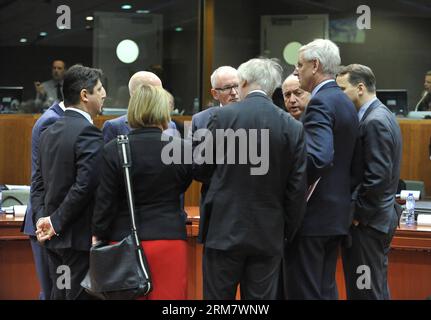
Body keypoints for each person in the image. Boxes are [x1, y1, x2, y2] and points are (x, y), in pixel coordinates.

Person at [193, 58, 307, 300]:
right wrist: (286, 230)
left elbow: (200, 169)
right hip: (268, 233)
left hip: (223, 230)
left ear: (243, 82)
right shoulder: (292, 127)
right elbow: (296, 189)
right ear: (273, 88)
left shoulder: (221, 119)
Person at [92, 84, 192, 300]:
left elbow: (104, 203)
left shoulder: (113, 149)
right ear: (164, 111)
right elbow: (181, 186)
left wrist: (98, 232)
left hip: (122, 242)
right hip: (169, 240)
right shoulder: (182, 149)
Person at [284, 39, 359, 300]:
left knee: (304, 292)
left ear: (315, 65)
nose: (297, 71)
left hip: (312, 216)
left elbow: (318, 158)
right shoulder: (345, 101)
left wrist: (288, 181)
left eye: (300, 65)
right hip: (336, 216)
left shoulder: (319, 103)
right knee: (325, 290)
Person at [31, 64, 106, 300]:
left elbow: (38, 186)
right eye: (100, 89)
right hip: (76, 240)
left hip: (53, 241)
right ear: (85, 95)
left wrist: (44, 222)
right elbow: (85, 185)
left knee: (59, 294)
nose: (104, 94)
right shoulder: (88, 132)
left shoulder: (48, 132)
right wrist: (54, 222)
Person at [336, 64, 402, 299]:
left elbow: (378, 177)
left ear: (360, 87)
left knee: (365, 291)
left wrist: (357, 216)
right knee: (372, 289)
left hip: (368, 224)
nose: (339, 96)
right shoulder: (381, 115)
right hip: (375, 220)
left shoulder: (374, 121)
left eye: (342, 89)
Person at [21, 100, 66, 299]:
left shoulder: (54, 117)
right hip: (46, 221)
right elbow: (46, 178)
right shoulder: (52, 121)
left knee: (56, 290)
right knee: (53, 291)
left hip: (49, 221)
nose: (104, 95)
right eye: (99, 89)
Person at [102, 71, 177, 143]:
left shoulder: (171, 125)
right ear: (135, 94)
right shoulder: (114, 126)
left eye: (161, 91)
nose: (161, 96)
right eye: (154, 92)